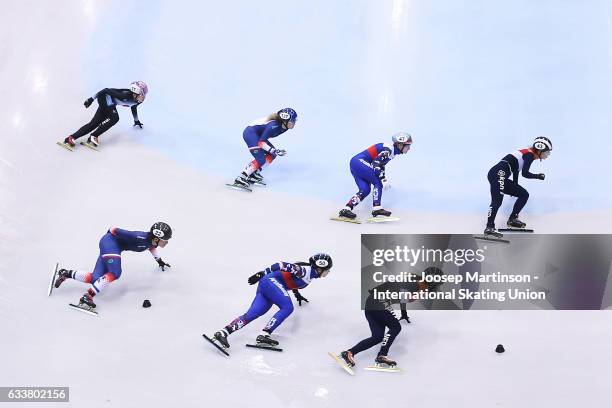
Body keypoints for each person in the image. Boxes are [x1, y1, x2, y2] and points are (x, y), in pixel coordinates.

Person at [209, 253, 332, 350]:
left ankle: (223, 332)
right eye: (327, 269)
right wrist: (261, 274)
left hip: (267, 286)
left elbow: (292, 281)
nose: (328, 272)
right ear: (319, 267)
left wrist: (297, 294)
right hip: (270, 281)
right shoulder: (304, 271)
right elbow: (280, 265)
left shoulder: (310, 275)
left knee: (252, 314)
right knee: (288, 308)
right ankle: (265, 334)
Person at [338, 267, 443, 368]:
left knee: (377, 337)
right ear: (432, 282)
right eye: (437, 285)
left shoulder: (415, 284)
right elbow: (395, 287)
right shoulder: (415, 284)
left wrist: (403, 313)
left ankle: (349, 352)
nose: (437, 288)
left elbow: (400, 295)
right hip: (377, 303)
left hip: (371, 304)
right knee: (396, 327)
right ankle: (382, 356)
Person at [52, 222, 172, 309]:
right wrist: (110, 238)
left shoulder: (152, 243)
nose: (166, 242)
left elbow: (151, 248)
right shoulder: (139, 236)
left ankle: (66, 273)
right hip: (110, 243)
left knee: (95, 279)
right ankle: (88, 296)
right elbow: (113, 229)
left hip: (113, 247)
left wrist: (159, 261)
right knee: (115, 272)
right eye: (165, 240)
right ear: (156, 238)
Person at [484, 136, 552, 238]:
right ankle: (489, 227)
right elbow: (525, 173)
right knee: (497, 201)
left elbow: (516, 171)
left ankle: (512, 219)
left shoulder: (527, 153)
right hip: (499, 174)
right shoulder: (529, 155)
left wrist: (515, 186)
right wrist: (537, 176)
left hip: (498, 174)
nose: (548, 154)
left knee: (523, 194)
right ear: (540, 149)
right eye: (547, 152)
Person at [338, 132, 412, 219]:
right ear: (400, 145)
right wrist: (383, 179)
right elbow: (376, 163)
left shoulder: (392, 152)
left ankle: (346, 209)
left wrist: (383, 178)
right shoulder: (388, 150)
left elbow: (381, 165)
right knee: (378, 183)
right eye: (407, 146)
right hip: (359, 162)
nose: (409, 148)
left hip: (356, 163)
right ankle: (377, 208)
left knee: (365, 190)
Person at [59, 81, 148, 149]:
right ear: (136, 93)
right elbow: (105, 90)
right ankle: (94, 136)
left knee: (93, 124)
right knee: (115, 118)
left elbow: (133, 107)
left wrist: (136, 120)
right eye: (142, 94)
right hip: (104, 97)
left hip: (110, 103)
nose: (143, 97)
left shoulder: (137, 101)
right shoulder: (125, 95)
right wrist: (91, 99)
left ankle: (71, 138)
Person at [232, 108, 298, 188]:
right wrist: (274, 150)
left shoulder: (285, 127)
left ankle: (253, 174)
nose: (294, 124)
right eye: (292, 122)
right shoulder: (273, 125)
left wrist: (274, 152)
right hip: (250, 133)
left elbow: (262, 139)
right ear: (285, 121)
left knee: (272, 155)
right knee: (261, 159)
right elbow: (261, 143)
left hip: (258, 135)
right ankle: (241, 177)